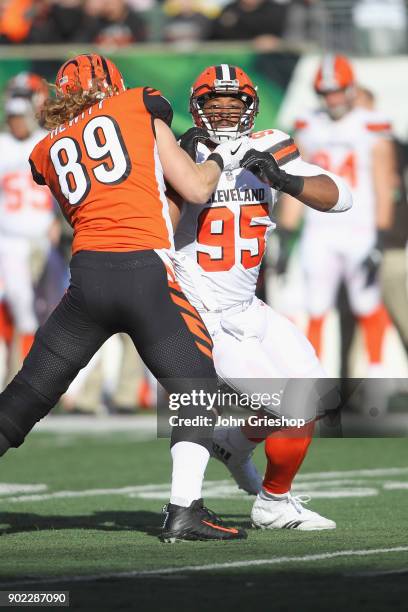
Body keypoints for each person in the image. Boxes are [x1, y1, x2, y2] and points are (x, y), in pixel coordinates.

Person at [0, 53, 256, 542]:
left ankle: (187, 511)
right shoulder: (137, 104)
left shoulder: (46, 148)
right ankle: (185, 510)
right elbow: (196, 188)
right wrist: (223, 153)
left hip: (88, 280)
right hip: (145, 271)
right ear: (113, 84)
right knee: (197, 388)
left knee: (26, 397)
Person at [172, 64, 352, 529]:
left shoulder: (271, 144)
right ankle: (273, 503)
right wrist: (180, 171)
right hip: (203, 312)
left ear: (251, 108)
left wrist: (285, 179)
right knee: (294, 406)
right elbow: (158, 224)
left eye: (235, 103)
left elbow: (341, 196)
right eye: (215, 103)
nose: (226, 112)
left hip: (248, 305)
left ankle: (233, 443)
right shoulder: (177, 152)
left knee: (317, 394)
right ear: (198, 108)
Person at [279, 55, 395, 377]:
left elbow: (384, 184)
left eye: (336, 90)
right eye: (324, 92)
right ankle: (313, 378)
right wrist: (287, 232)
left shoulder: (372, 124)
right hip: (320, 230)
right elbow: (297, 182)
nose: (331, 98)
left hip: (360, 229)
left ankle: (376, 375)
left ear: (350, 88)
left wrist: (381, 235)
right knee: (316, 307)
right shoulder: (308, 123)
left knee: (366, 304)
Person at [0, 72, 60, 379]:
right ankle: (26, 378)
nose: (16, 122)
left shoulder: (46, 142)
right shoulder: (2, 145)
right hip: (10, 239)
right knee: (22, 304)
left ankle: (51, 380)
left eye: (20, 116)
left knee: (53, 308)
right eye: (12, 117)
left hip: (45, 238)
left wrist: (59, 222)